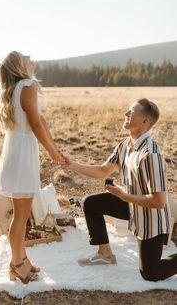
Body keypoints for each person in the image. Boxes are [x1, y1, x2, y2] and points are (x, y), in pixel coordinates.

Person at [62, 98, 177, 281]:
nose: (126, 114)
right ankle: (105, 254)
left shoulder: (150, 155)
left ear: (145, 121)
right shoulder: (125, 145)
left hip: (151, 218)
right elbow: (103, 170)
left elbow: (158, 201)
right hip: (132, 205)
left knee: (150, 273)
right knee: (91, 204)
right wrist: (72, 165)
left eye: (131, 112)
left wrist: (123, 195)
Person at [0, 51, 65, 284]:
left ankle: (22, 258)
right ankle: (16, 265)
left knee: (21, 214)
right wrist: (52, 152)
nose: (29, 55)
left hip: (17, 149)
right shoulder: (28, 85)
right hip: (22, 152)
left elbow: (40, 120)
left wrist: (53, 147)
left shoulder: (19, 88)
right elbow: (35, 124)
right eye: (24, 55)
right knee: (21, 216)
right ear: (18, 66)